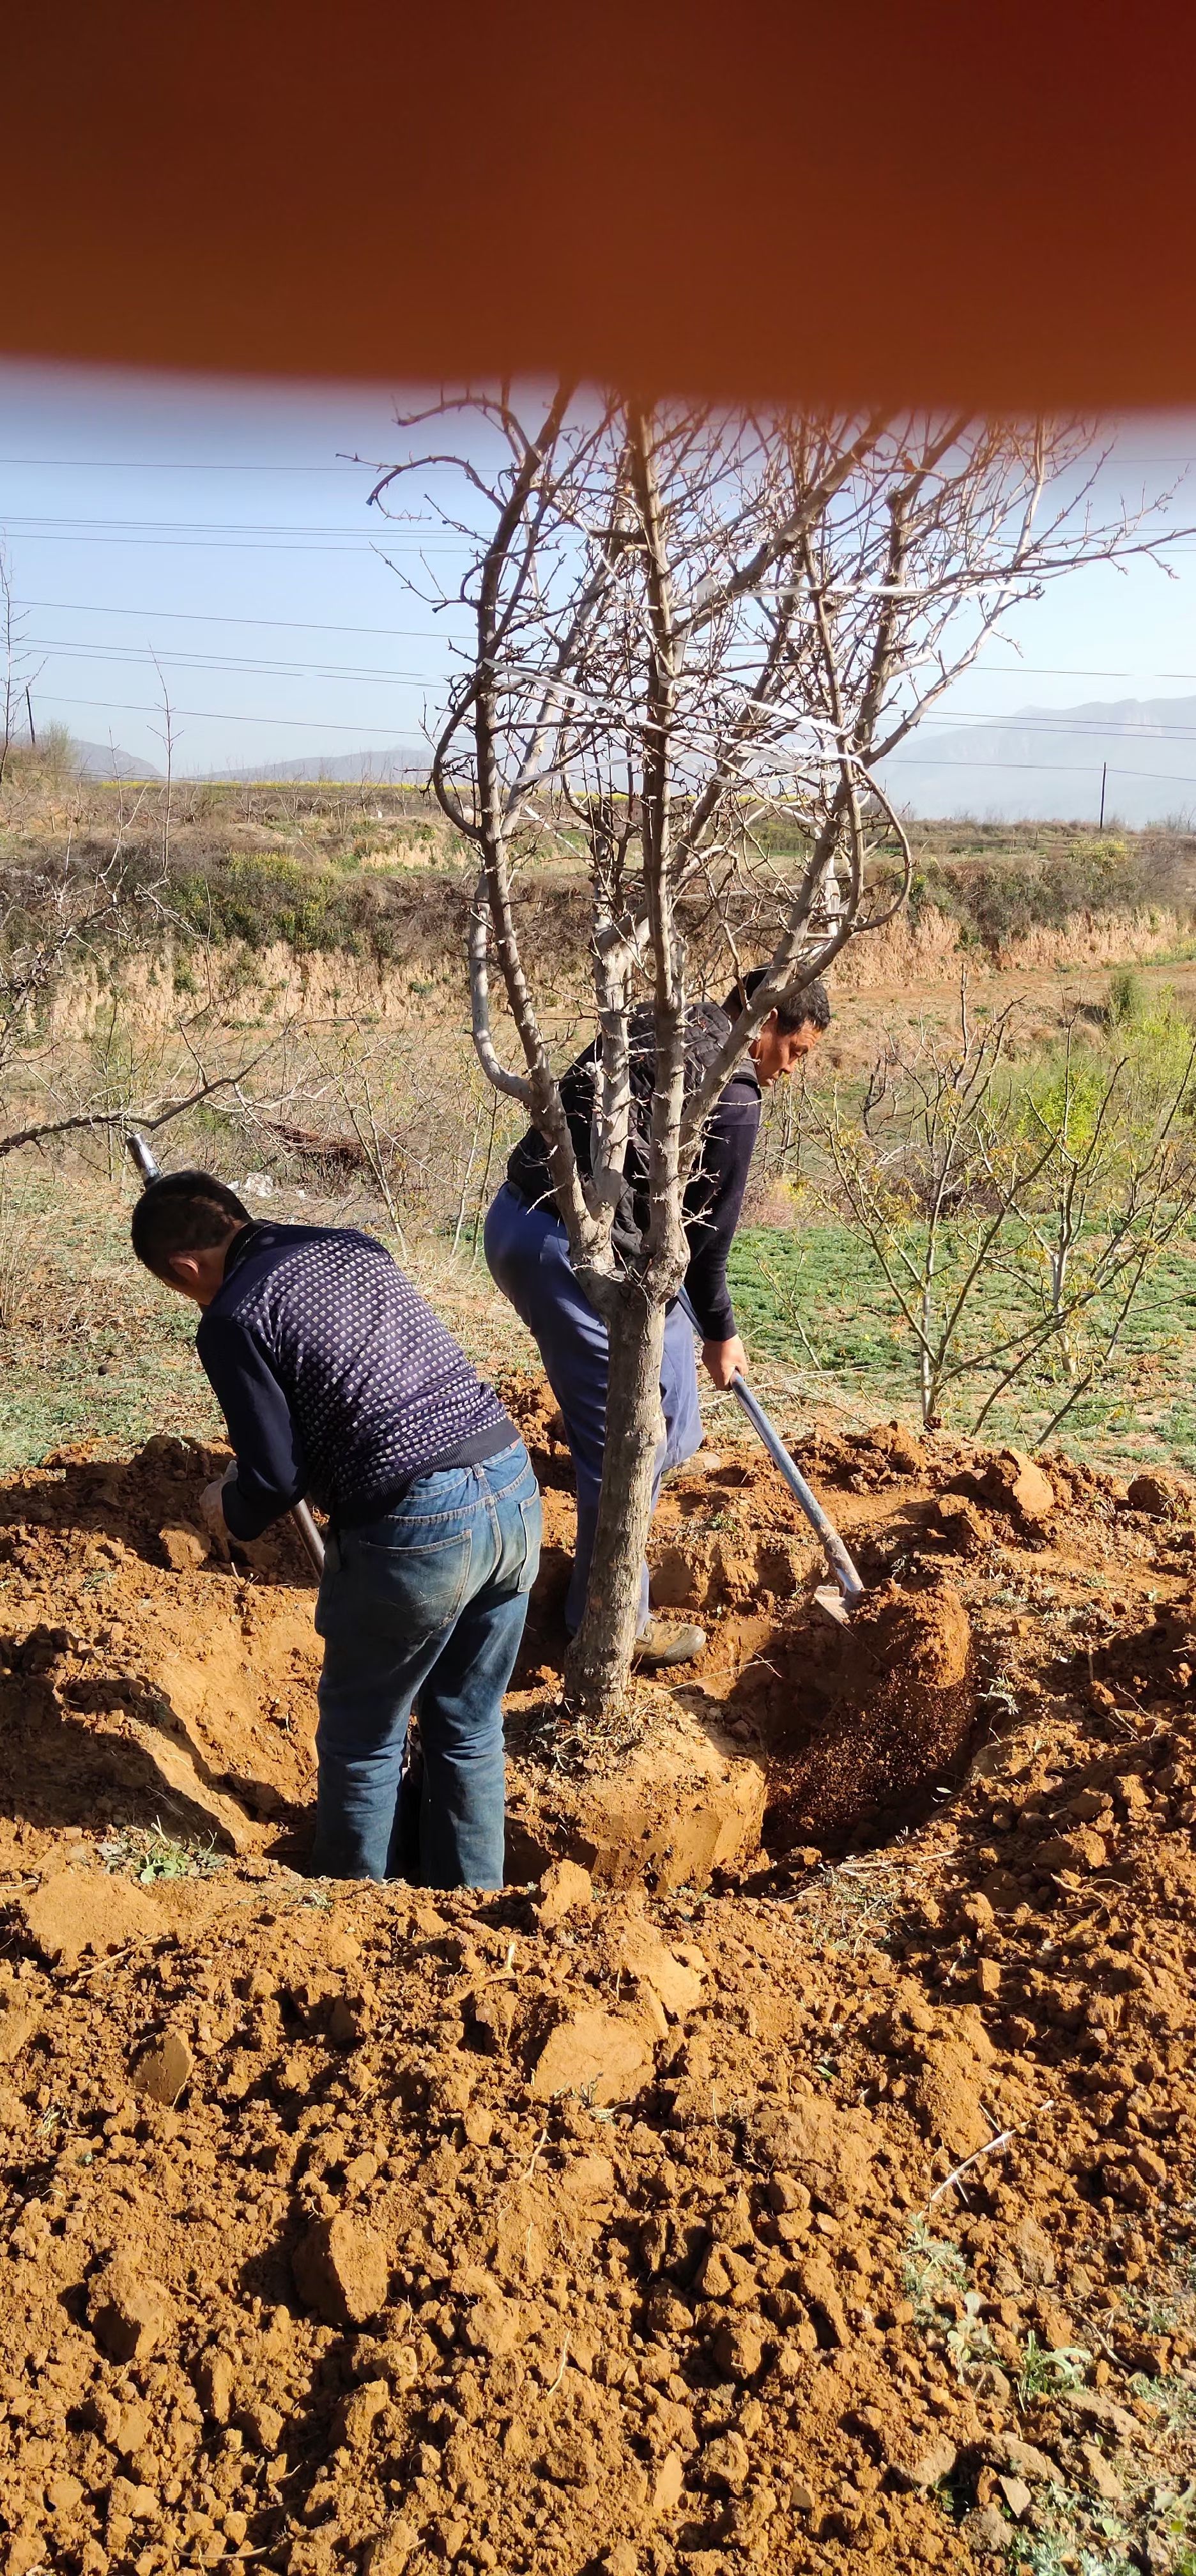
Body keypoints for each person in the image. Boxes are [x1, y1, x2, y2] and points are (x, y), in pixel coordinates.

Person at [130, 1173, 540, 1889]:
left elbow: (273, 1477)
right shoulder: (348, 1245)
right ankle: (476, 1906)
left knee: (363, 1736)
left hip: (420, 1521)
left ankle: (356, 1912)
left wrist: (223, 1511)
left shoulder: (233, 1314)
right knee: (469, 1725)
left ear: (183, 1269)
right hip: (508, 1479)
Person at [485, 967, 830, 1665]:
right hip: (569, 1253)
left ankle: (649, 1457)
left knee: (665, 1412)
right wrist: (724, 1334)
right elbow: (705, 1247)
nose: (789, 1071)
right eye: (795, 1053)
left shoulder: (659, 1021)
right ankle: (608, 1626)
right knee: (624, 1445)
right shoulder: (730, 1096)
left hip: (519, 1223)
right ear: (765, 1026)